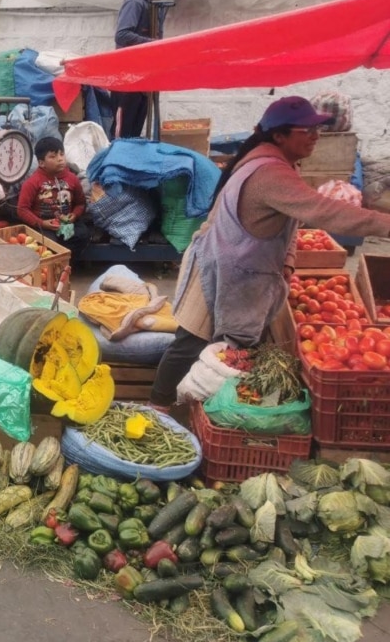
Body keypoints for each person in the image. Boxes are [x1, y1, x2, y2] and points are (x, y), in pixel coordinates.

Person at [149, 96, 390, 411]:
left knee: (233, 347)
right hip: (220, 269)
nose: (316, 136)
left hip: (239, 269)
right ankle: (159, 404)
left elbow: (292, 219)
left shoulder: (274, 162)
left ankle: (217, 405)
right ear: (279, 136)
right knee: (190, 342)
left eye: (317, 129)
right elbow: (323, 211)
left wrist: (288, 264)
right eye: (307, 130)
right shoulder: (270, 173)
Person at [112, 0, 179, 139]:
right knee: (121, 137)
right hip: (127, 82)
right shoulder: (135, 2)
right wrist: (155, 44)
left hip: (142, 82)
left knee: (134, 136)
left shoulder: (154, 6)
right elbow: (122, 35)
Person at [16, 136, 89, 258]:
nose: (60, 159)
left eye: (61, 154)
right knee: (49, 244)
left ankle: (66, 264)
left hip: (67, 223)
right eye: (53, 156)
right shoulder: (32, 182)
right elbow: (22, 209)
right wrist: (42, 223)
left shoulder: (73, 179)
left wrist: (74, 215)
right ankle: (53, 266)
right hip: (43, 225)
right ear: (41, 163)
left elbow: (81, 203)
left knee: (83, 235)